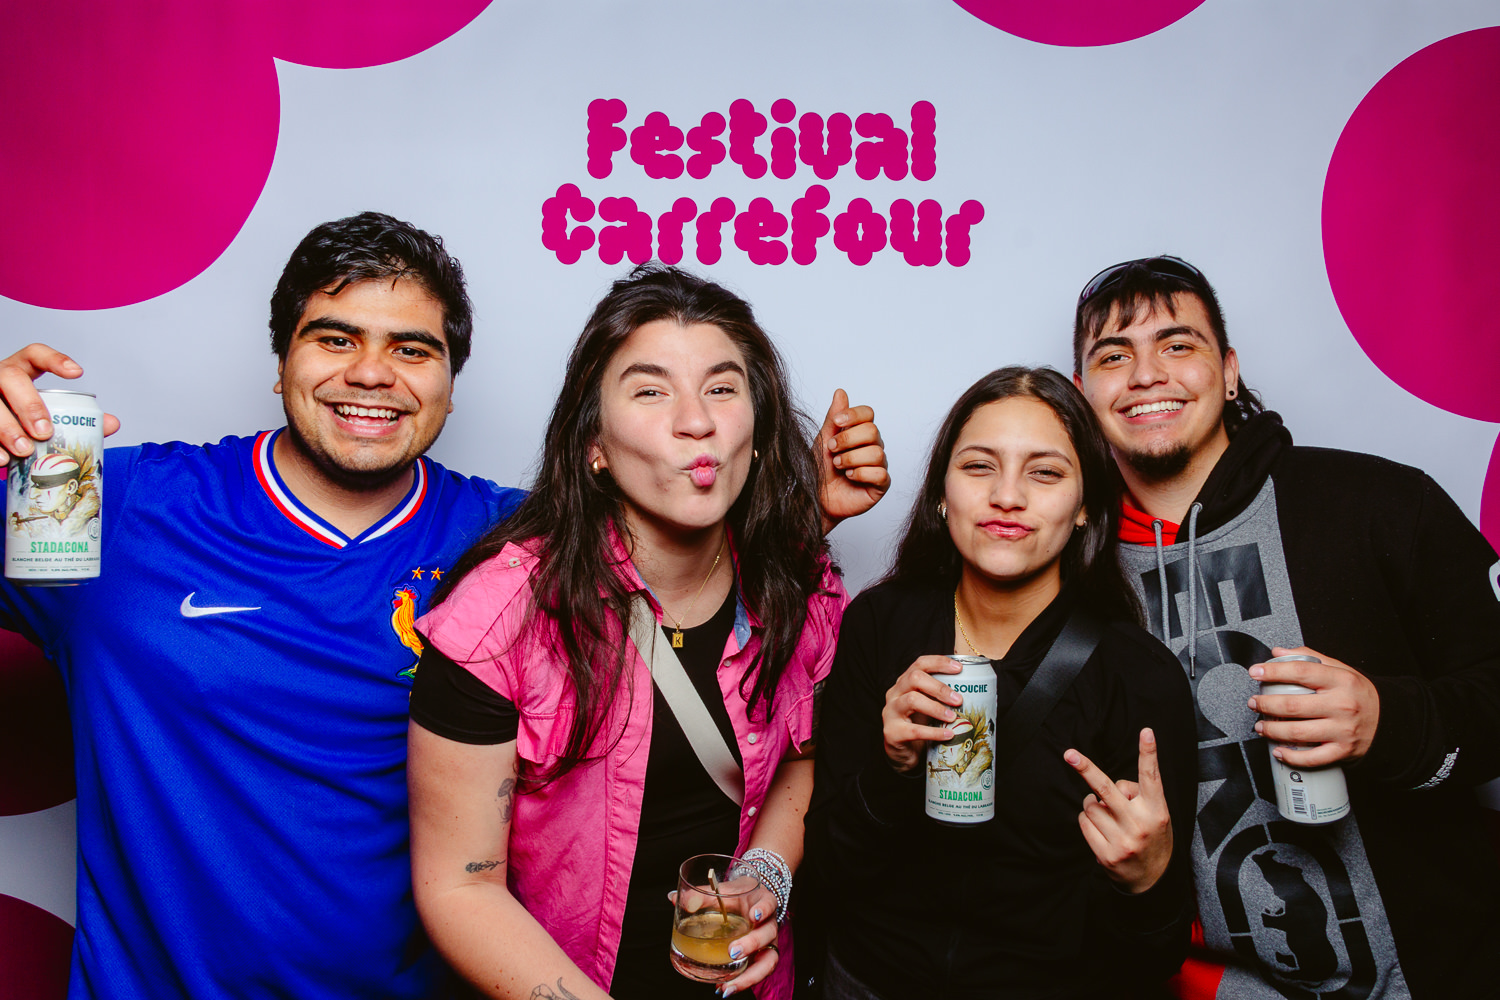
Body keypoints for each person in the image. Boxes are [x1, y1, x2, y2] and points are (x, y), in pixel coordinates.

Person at [0, 214, 888, 1000]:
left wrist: (799, 508)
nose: (372, 373)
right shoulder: (110, 508)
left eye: (413, 350)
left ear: (452, 383)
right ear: (282, 363)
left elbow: (682, 548)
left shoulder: (513, 546)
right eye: (335, 338)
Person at [406, 263, 855, 1000]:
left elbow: (806, 757)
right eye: (651, 391)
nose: (696, 420)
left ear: (757, 430)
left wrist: (765, 873)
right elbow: (460, 887)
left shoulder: (798, 582)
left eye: (722, 388)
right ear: (595, 444)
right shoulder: (499, 616)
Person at [1070, 255, 1500, 999]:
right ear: (1083, 394)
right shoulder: (1071, 575)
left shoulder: (1379, 505)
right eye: (1113, 356)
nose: (1145, 375)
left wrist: (1387, 721)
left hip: (1429, 977)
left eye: (1177, 344)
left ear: (1230, 371)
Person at [803, 366, 1196, 1000]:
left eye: (1045, 473)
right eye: (979, 466)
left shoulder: (1138, 676)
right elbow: (826, 873)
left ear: (1086, 506)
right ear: (942, 493)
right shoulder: (879, 624)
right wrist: (890, 770)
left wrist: (1146, 880)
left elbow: (1153, 961)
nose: (1007, 496)